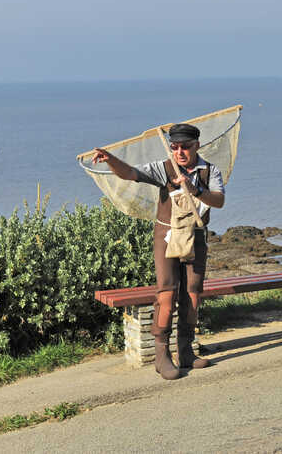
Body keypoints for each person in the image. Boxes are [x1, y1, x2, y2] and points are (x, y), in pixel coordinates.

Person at [92, 123, 225, 379]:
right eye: (174, 147)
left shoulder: (210, 171)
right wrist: (111, 160)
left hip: (196, 236)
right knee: (166, 293)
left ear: (197, 145)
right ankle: (162, 355)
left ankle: (186, 351)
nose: (179, 152)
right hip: (166, 237)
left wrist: (195, 188)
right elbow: (130, 173)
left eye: (185, 147)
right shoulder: (163, 169)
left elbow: (219, 201)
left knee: (193, 293)